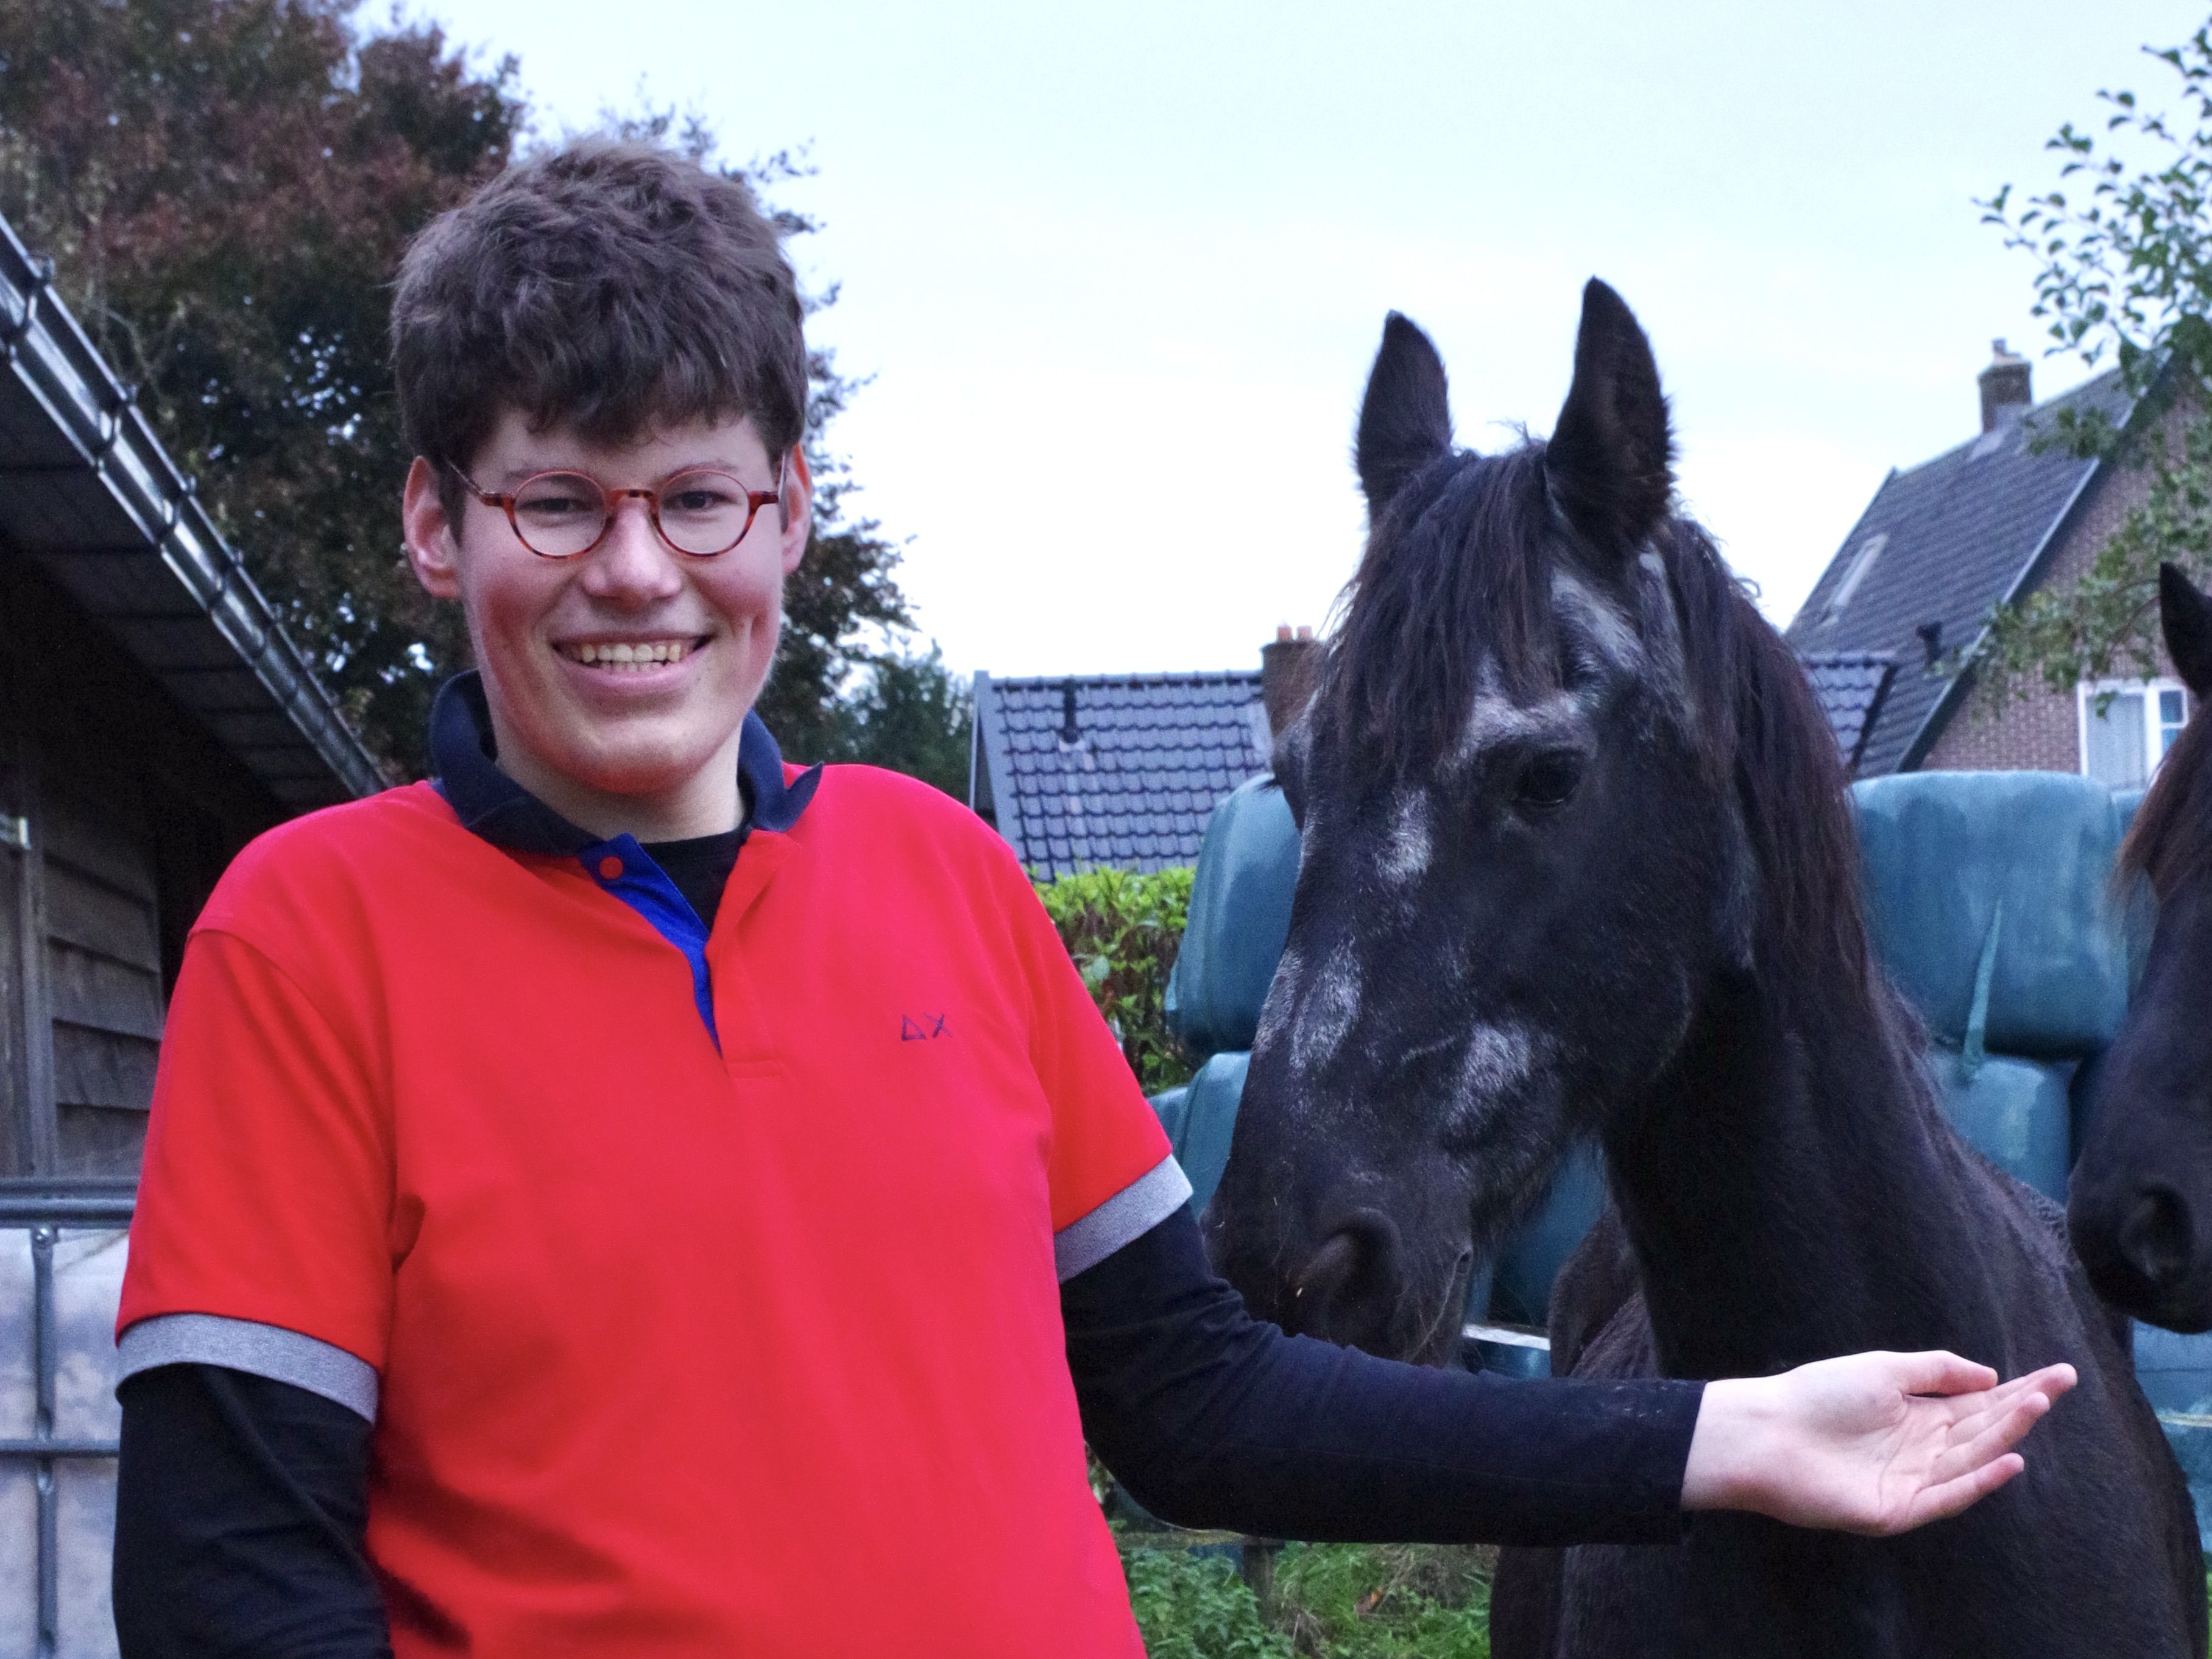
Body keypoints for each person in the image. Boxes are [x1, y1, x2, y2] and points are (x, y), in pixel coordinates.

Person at [108, 142, 2074, 1659]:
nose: (639, 570)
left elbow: (1198, 1393)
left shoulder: (946, 881)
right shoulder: (311, 944)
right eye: (560, 500)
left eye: (694, 496)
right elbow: (230, 1592)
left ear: (789, 509)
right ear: (440, 523)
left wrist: (1721, 1436)